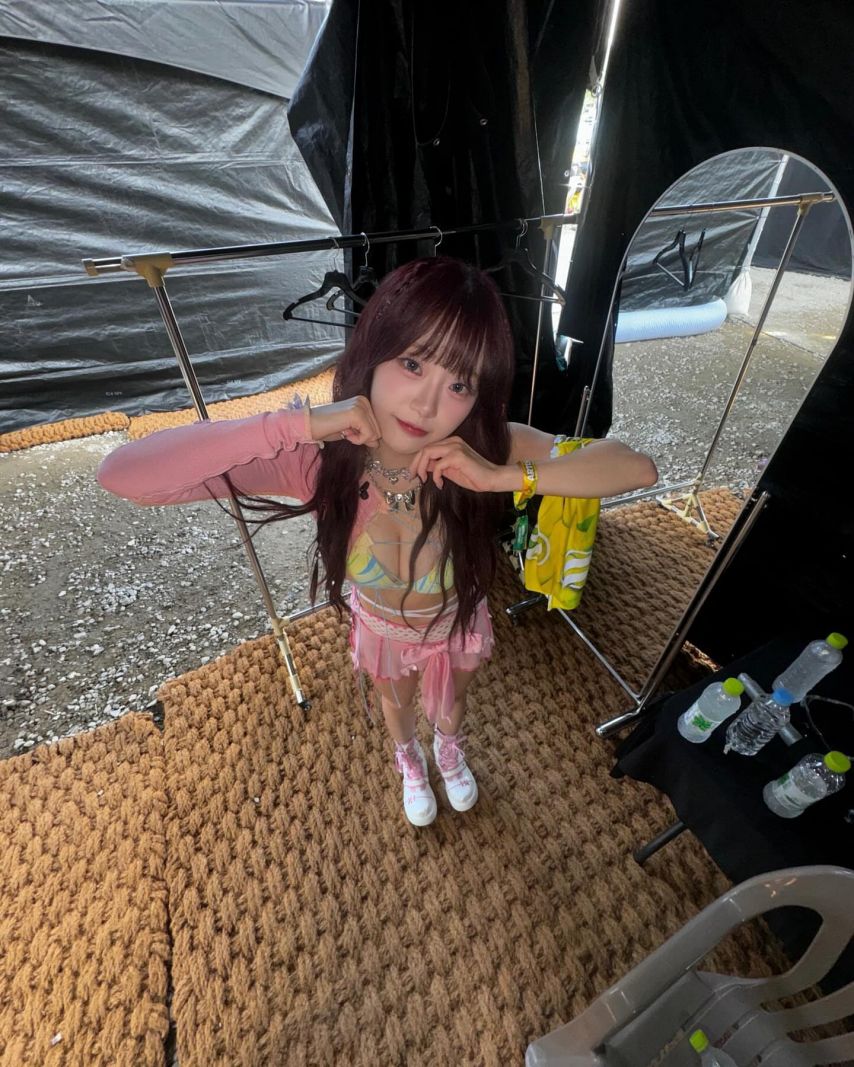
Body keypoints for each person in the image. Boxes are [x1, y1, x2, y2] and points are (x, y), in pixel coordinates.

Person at [97, 256, 657, 827]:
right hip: (385, 630)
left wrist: (503, 478)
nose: (426, 405)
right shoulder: (319, 462)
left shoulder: (485, 447)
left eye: (458, 384)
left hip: (458, 620)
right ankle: (409, 758)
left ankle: (448, 748)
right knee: (397, 701)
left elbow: (635, 468)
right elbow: (125, 474)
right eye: (412, 363)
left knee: (454, 700)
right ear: (374, 350)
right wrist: (298, 425)